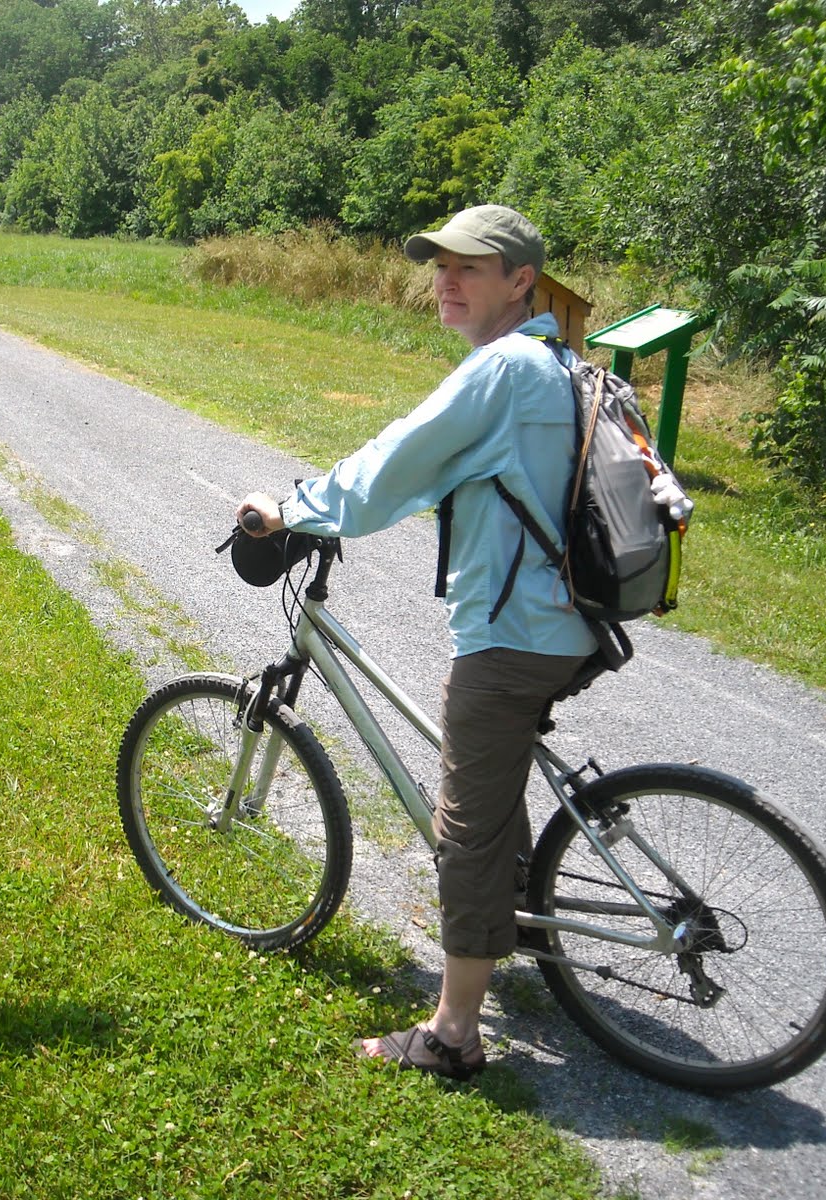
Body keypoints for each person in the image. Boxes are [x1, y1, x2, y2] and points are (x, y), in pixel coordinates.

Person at [235, 204, 594, 1079]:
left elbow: (399, 463)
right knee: (491, 777)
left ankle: (452, 1034)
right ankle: (510, 911)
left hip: (517, 632)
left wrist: (296, 505)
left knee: (463, 829)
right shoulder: (554, 358)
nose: (448, 280)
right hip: (566, 619)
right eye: (441, 266)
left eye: (470, 267)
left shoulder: (503, 369)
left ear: (521, 281)